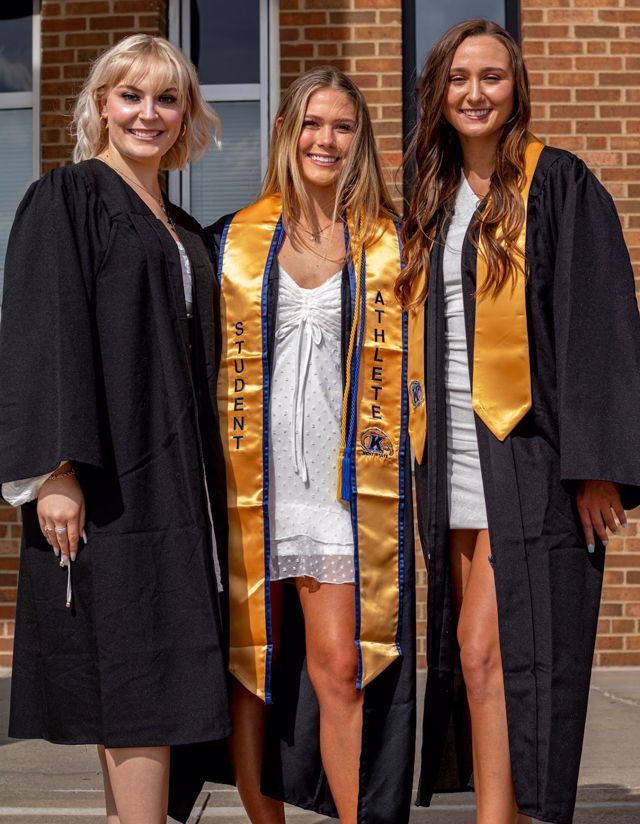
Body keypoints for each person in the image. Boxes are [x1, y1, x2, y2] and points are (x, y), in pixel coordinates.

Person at [398, 18, 640, 824]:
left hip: (529, 458)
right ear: (438, 92)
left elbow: (601, 324)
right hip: (450, 458)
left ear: (516, 88)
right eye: (459, 78)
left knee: (502, 650)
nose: (475, 93)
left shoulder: (559, 184)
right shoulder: (429, 199)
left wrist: (597, 467)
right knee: (475, 659)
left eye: (492, 77)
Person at [0, 34, 231, 824]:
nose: (148, 113)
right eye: (131, 95)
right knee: (136, 672)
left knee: (151, 672)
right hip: (109, 482)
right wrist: (54, 471)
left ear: (186, 115)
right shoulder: (67, 197)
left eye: (167, 99)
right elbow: (42, 331)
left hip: (178, 484)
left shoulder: (183, 227)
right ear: (101, 103)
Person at [206, 66, 415, 824]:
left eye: (343, 126)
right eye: (312, 124)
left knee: (340, 670)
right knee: (249, 677)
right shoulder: (232, 240)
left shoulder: (390, 245)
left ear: (360, 140)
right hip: (252, 487)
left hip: (342, 494)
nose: (326, 140)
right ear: (286, 132)